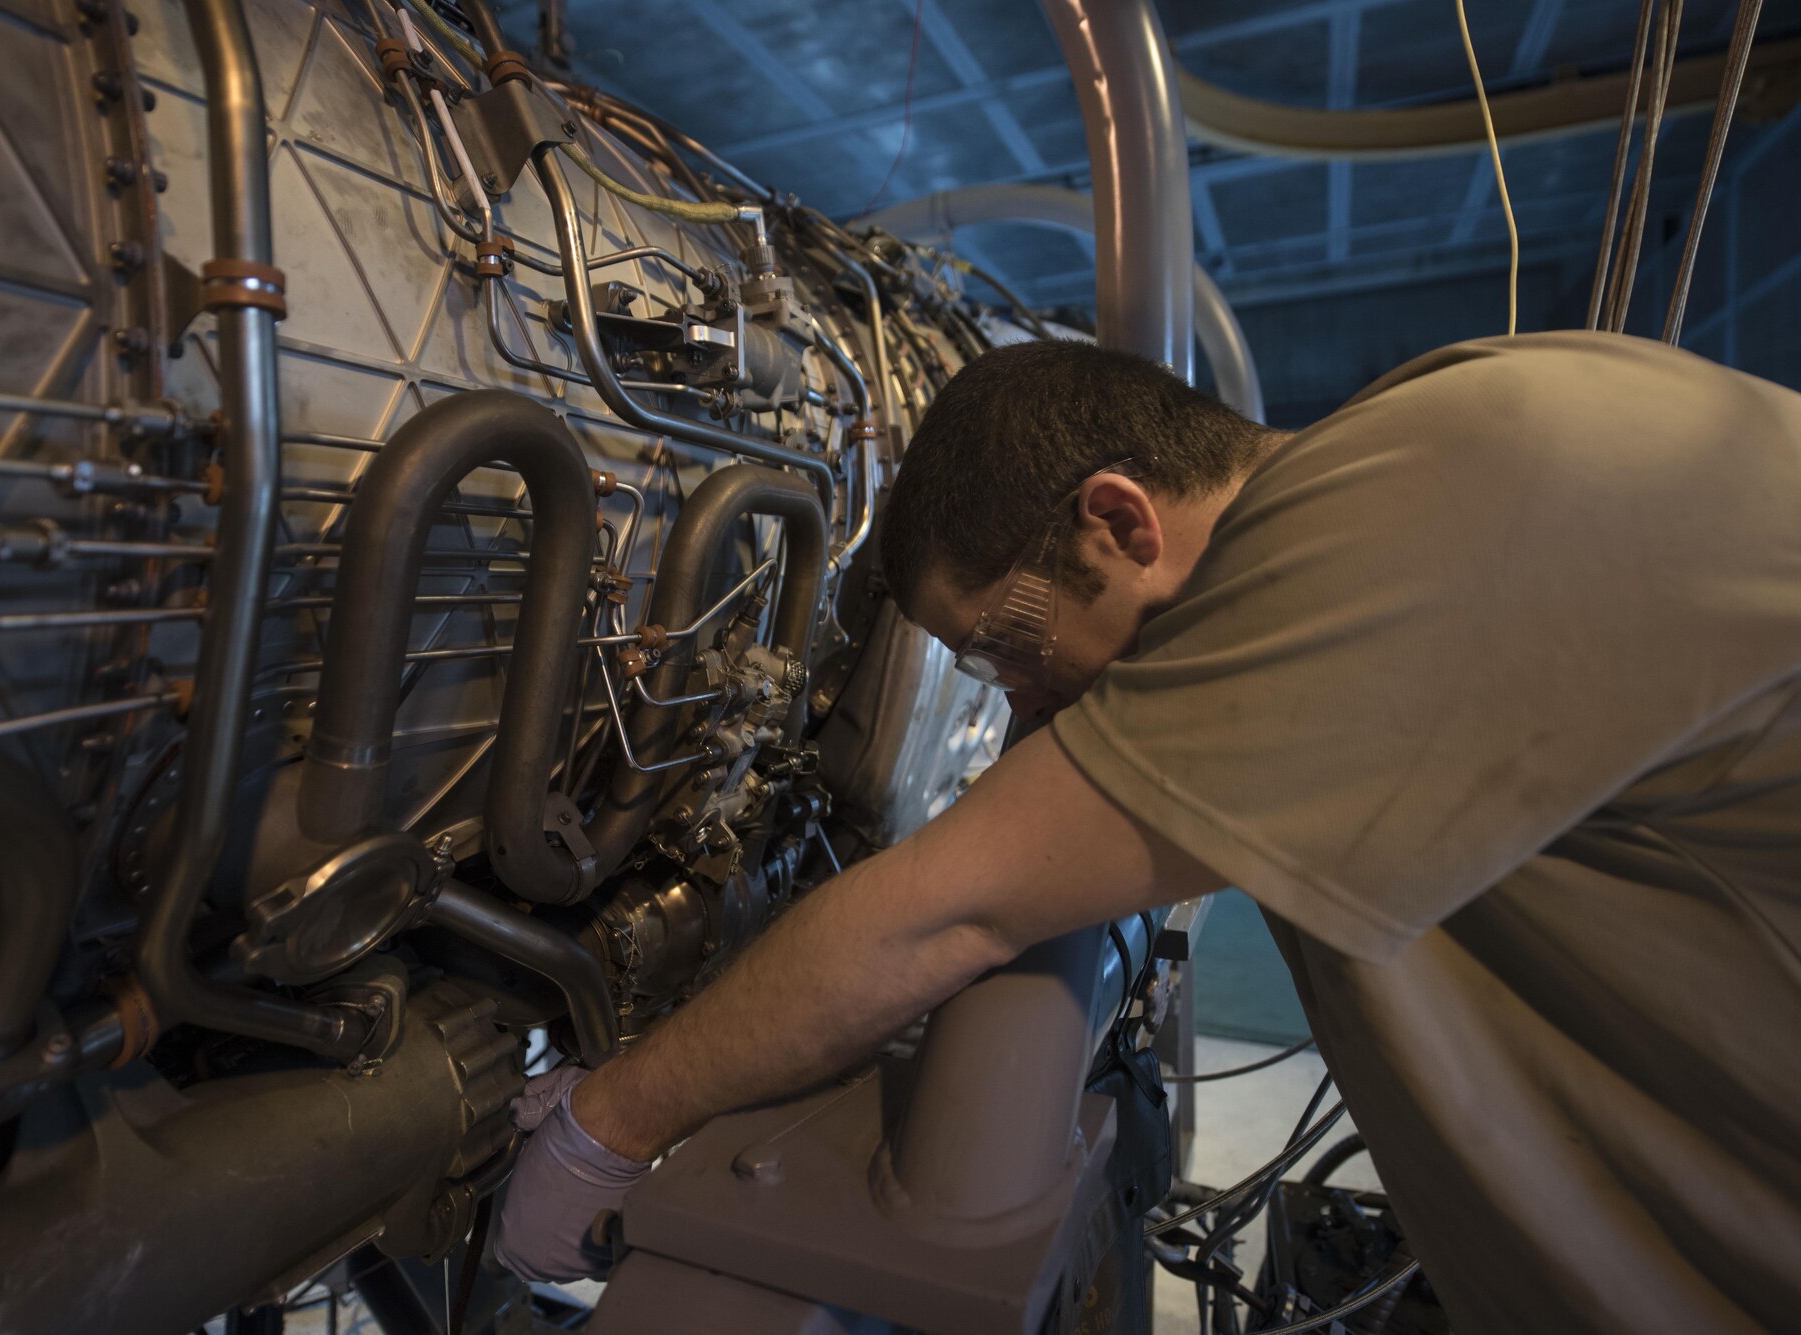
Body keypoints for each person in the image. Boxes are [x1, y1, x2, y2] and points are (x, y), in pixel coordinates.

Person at [492, 333, 1801, 1333]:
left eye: (1011, 649)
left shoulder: (1451, 470)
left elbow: (956, 907)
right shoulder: (1413, 483)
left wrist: (604, 1125)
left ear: (1120, 521)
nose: (1028, 706)